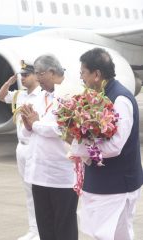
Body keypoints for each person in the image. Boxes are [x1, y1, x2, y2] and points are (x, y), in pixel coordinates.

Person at [70, 48, 143, 239]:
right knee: (104, 234)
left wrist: (77, 145)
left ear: (97, 74)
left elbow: (114, 146)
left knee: (112, 235)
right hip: (101, 181)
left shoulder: (120, 99)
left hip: (116, 184)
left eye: (83, 73)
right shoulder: (98, 97)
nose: (81, 78)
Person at [20, 54, 78, 240]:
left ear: (52, 72)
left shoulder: (71, 92)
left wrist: (36, 125)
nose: (37, 78)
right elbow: (26, 130)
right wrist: (29, 126)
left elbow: (62, 128)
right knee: (44, 226)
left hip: (62, 174)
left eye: (40, 74)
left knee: (64, 226)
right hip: (39, 172)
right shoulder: (40, 96)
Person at [0, 60, 41, 240]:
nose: (22, 78)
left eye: (26, 75)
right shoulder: (20, 95)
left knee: (37, 189)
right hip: (21, 147)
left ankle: (40, 230)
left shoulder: (42, 95)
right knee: (28, 190)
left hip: (35, 146)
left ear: (36, 75)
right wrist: (9, 82)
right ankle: (33, 229)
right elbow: (1, 96)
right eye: (21, 75)